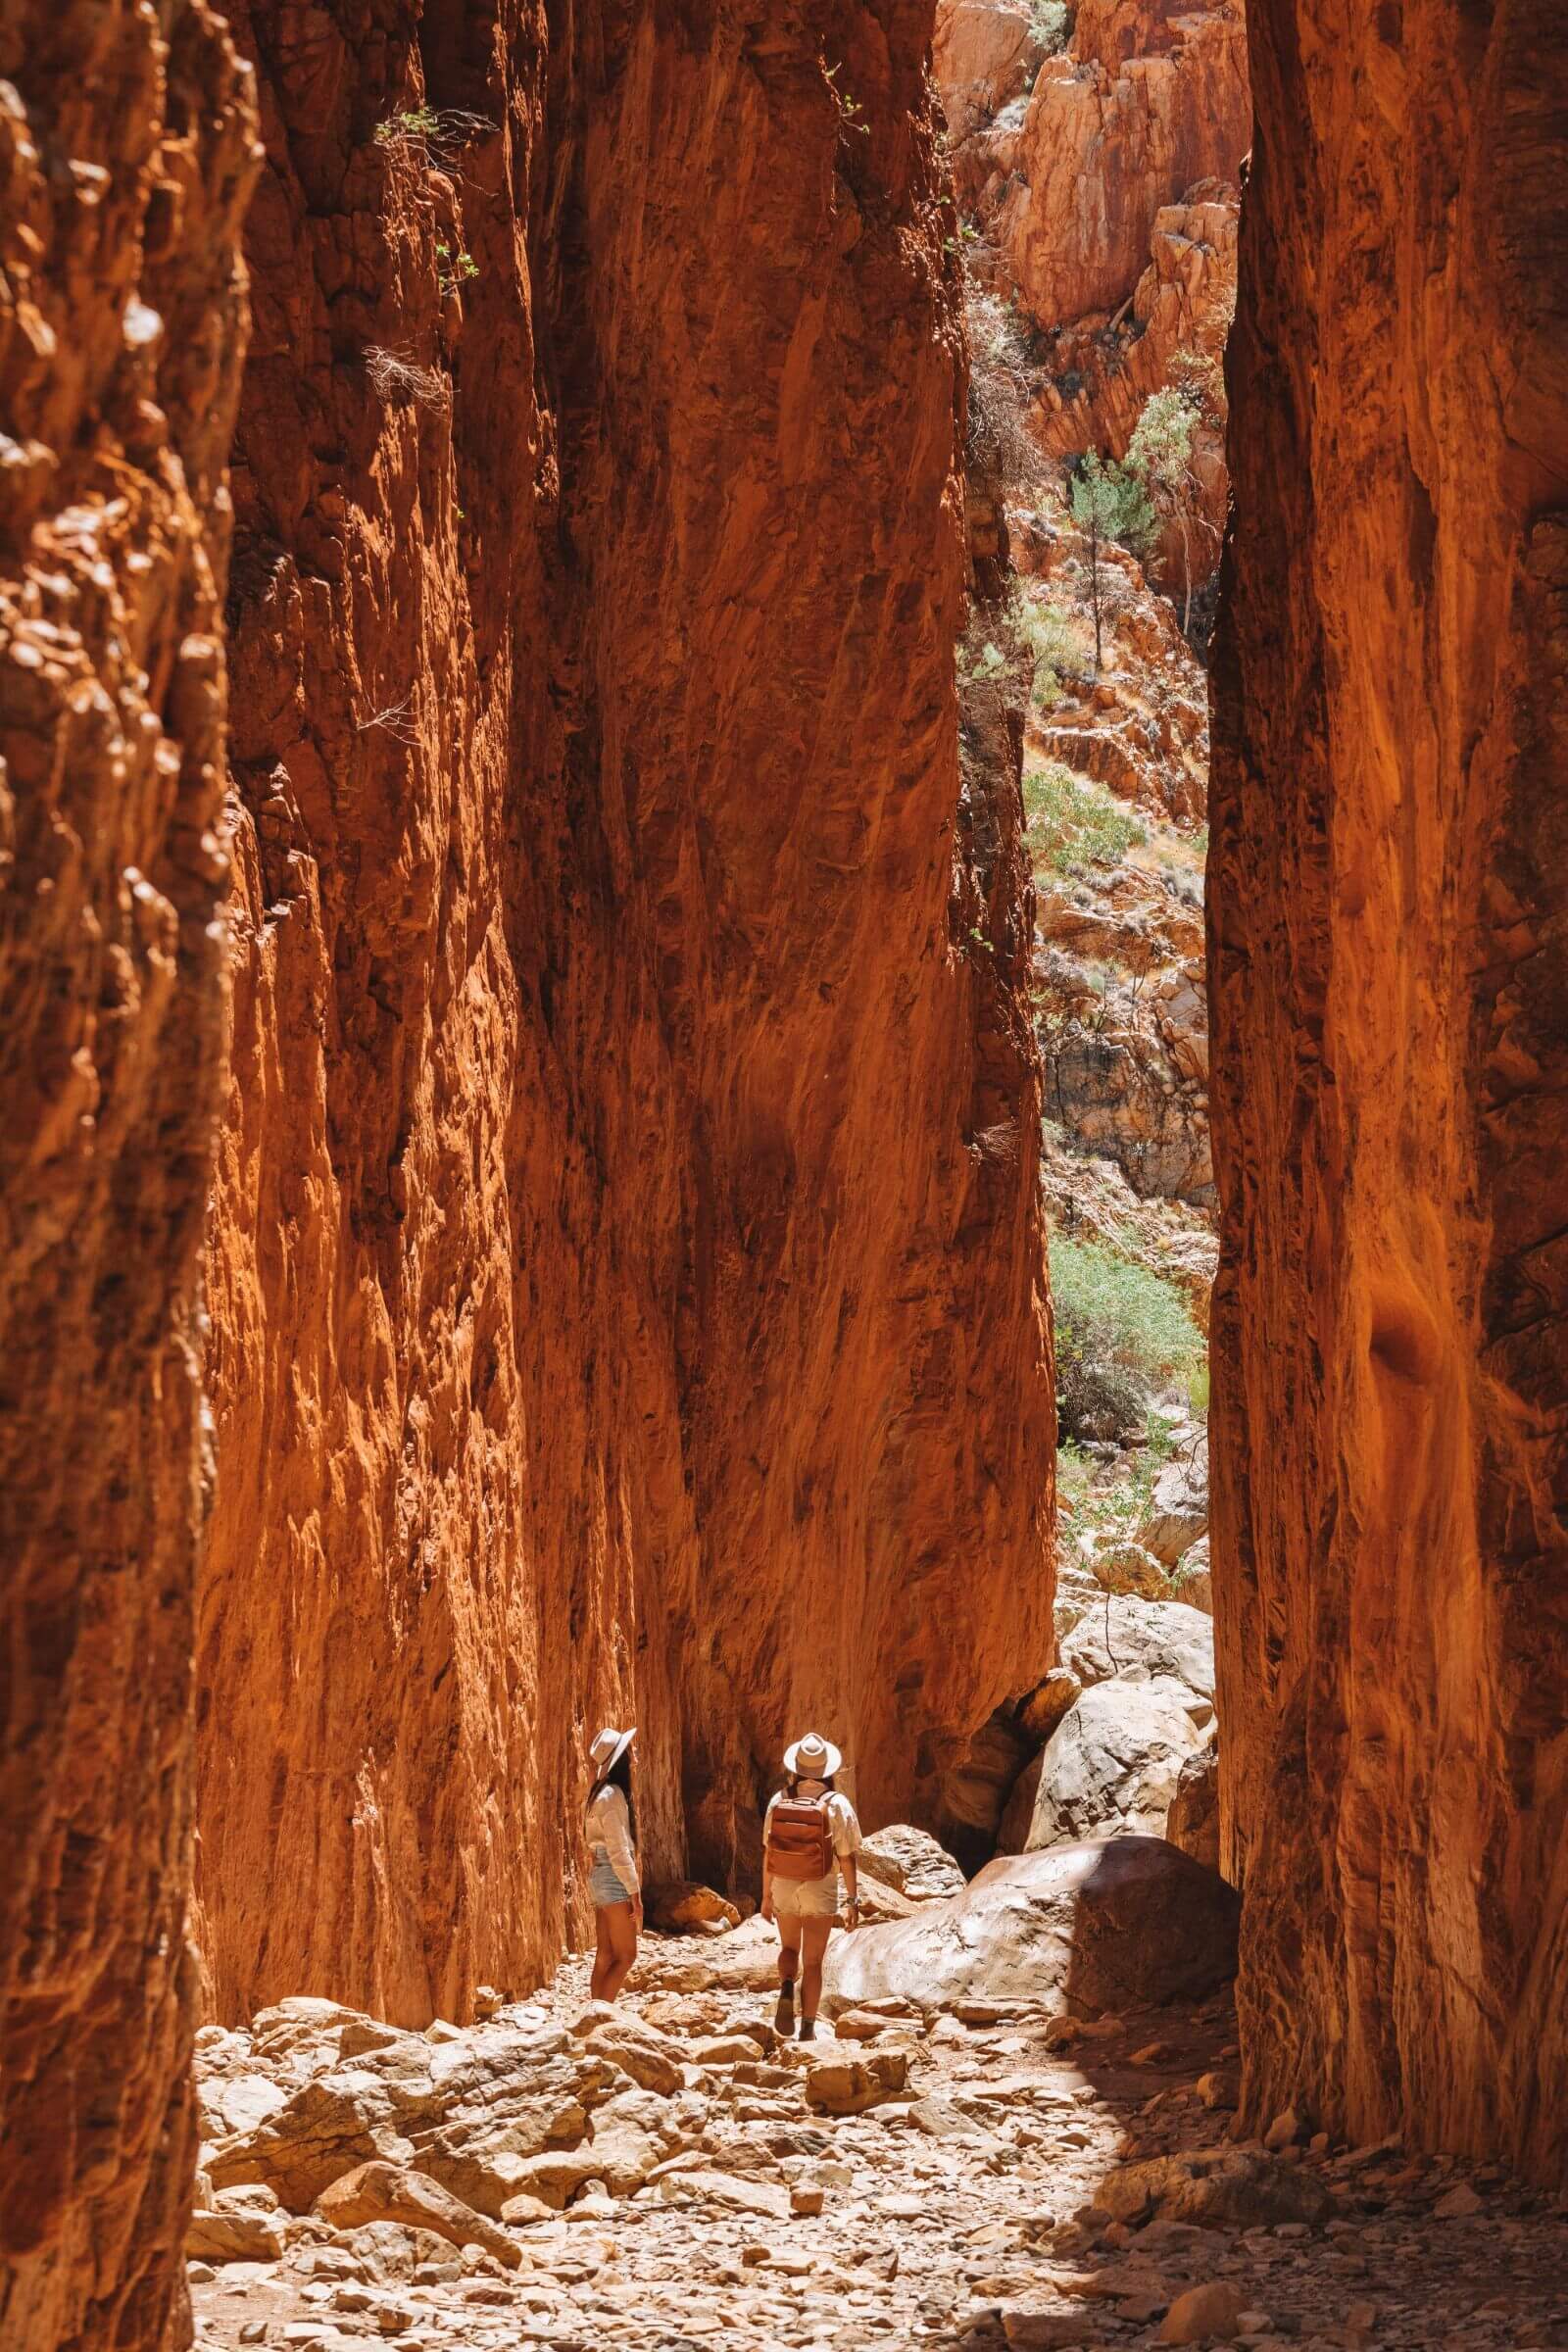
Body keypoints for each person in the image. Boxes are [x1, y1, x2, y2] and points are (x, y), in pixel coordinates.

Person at [760, 1732, 862, 2041]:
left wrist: (766, 1896)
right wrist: (852, 1900)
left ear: (796, 1767)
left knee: (789, 1948)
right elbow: (847, 1858)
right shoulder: (837, 1803)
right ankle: (807, 2028)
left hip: (784, 1884)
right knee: (814, 1961)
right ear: (827, 1770)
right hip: (820, 1886)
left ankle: (787, 1986)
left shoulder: (780, 1799)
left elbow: (768, 1852)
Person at [584, 1725, 642, 2001]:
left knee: (605, 1953)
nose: (633, 1754)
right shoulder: (614, 1795)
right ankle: (601, 2015)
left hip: (599, 1874)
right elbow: (619, 1850)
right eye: (629, 1751)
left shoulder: (598, 1793)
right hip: (612, 1875)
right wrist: (635, 1892)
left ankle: (593, 2013)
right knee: (626, 1955)